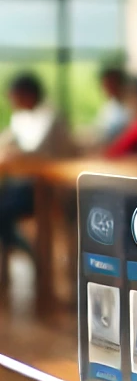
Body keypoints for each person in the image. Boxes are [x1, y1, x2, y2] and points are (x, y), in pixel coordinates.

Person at [0, 73, 73, 250]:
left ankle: (25, 250)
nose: (11, 101)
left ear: (27, 94)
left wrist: (12, 153)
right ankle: (20, 248)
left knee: (3, 211)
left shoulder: (51, 116)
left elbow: (37, 152)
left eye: (13, 96)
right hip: (22, 184)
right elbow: (7, 140)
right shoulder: (21, 117)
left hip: (47, 189)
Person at [88, 67, 131, 147]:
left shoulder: (131, 108)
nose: (106, 87)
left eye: (110, 83)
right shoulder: (107, 108)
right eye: (105, 84)